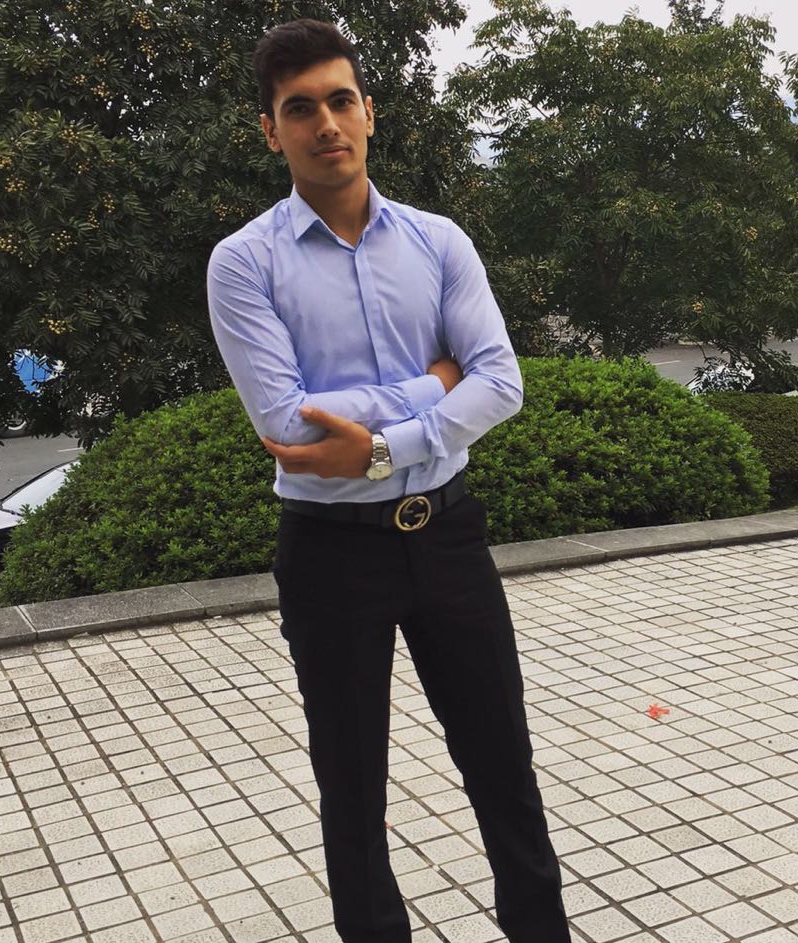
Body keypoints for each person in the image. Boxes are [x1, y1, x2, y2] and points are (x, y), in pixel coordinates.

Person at [207, 18, 572, 943]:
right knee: (351, 790)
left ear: (368, 111)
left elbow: (502, 382)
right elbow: (289, 425)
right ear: (271, 130)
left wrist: (375, 444)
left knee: (504, 768)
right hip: (330, 554)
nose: (325, 123)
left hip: (448, 534)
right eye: (300, 109)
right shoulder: (243, 263)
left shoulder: (439, 241)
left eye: (340, 101)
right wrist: (434, 385)